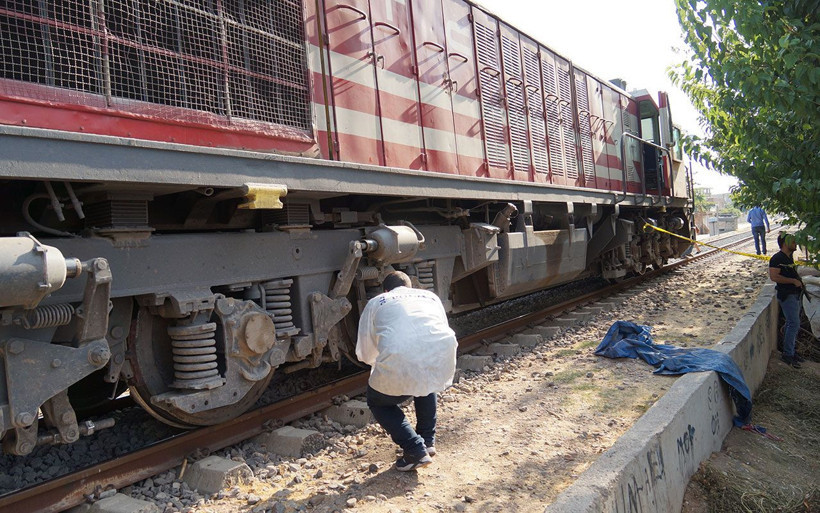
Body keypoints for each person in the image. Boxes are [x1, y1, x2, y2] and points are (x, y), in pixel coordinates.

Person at [356, 271, 458, 471]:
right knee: (425, 379)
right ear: (410, 287)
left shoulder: (377, 302)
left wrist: (380, 364)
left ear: (386, 290)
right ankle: (427, 441)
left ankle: (415, 450)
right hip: (442, 354)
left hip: (401, 355)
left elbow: (366, 351)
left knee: (377, 402)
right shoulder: (430, 296)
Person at [768, 232, 804, 368]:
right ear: (785, 243)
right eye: (793, 242)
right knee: (793, 323)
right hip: (787, 295)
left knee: (793, 324)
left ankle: (791, 352)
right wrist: (793, 281)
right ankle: (788, 354)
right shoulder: (777, 258)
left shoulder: (788, 257)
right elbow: (774, 277)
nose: (795, 244)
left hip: (794, 294)